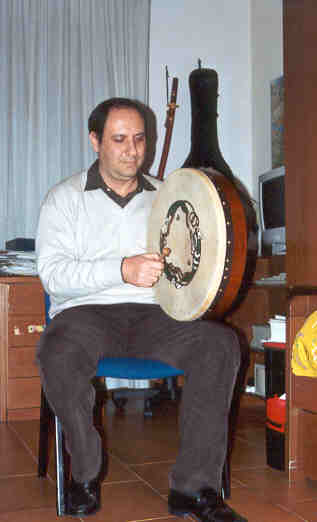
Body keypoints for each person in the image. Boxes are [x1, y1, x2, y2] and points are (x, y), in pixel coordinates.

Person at [36, 97, 247, 522]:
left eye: (138, 139)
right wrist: (122, 269)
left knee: (219, 344)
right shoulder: (63, 199)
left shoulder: (169, 197)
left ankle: (194, 488)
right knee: (55, 352)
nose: (132, 150)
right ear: (95, 141)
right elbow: (53, 276)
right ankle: (85, 471)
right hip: (85, 314)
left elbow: (190, 268)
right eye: (119, 139)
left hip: (155, 315)